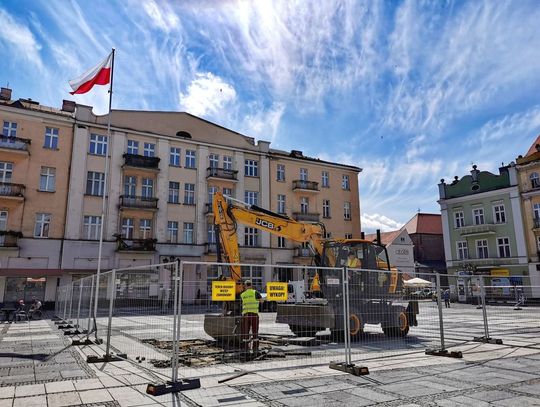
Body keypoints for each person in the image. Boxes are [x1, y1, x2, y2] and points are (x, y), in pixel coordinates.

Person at [240, 280, 263, 353]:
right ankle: (255, 348)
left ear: (245, 286)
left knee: (245, 331)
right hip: (254, 315)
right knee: (255, 331)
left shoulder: (242, 294)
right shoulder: (255, 292)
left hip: (245, 315)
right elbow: (262, 301)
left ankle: (245, 348)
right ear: (251, 285)